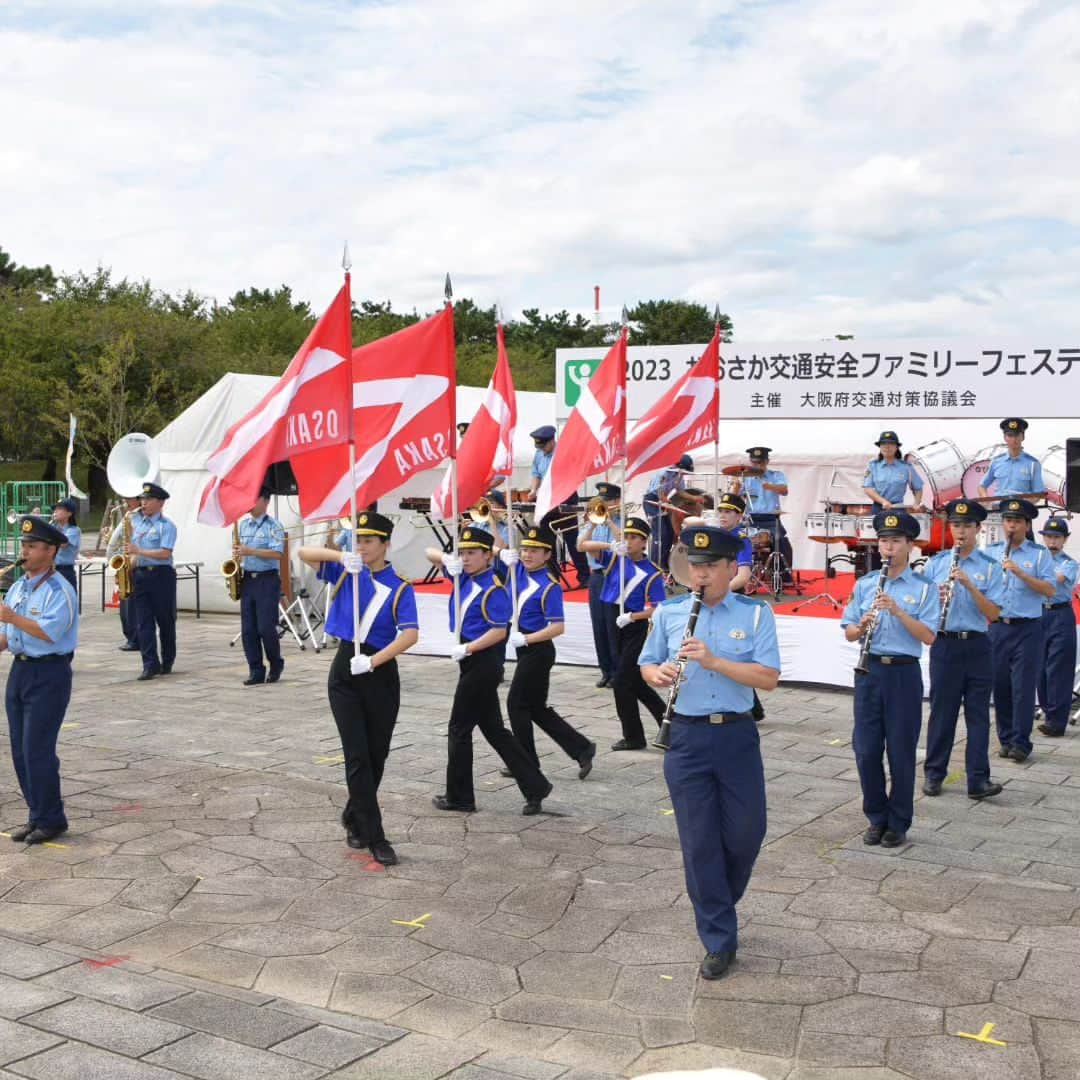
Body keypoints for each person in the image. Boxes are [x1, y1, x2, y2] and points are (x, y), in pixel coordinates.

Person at [640, 524, 780, 980]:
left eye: (709, 567)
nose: (699, 576)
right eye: (694, 567)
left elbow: (767, 678)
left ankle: (717, 901)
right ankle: (718, 938)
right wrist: (657, 674)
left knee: (747, 832)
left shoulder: (755, 614)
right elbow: (645, 662)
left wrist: (714, 660)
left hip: (736, 735)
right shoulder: (669, 611)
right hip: (685, 735)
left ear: (729, 569)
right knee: (699, 842)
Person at [298, 512, 418, 865]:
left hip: (379, 670)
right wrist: (339, 555)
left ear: (385, 544)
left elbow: (410, 634)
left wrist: (374, 660)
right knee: (357, 755)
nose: (362, 546)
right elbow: (303, 553)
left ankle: (354, 815)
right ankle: (375, 836)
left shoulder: (400, 585)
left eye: (368, 541)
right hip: (345, 672)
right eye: (358, 540)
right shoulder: (346, 570)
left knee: (376, 755)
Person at [426, 527, 553, 814]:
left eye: (472, 553)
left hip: (483, 662)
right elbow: (428, 553)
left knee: (459, 729)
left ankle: (460, 797)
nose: (466, 558)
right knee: (495, 730)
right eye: (463, 553)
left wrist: (469, 648)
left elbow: (499, 631)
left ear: (487, 556)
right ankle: (535, 785)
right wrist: (448, 559)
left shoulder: (493, 588)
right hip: (472, 661)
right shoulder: (463, 577)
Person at [840, 512, 939, 848]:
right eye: (884, 541)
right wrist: (862, 625)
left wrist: (897, 611)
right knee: (866, 750)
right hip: (870, 672)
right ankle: (875, 816)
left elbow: (928, 637)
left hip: (903, 674)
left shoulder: (925, 589)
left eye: (896, 541)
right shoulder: (865, 584)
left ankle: (898, 821)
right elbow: (850, 633)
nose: (889, 547)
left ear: (910, 546)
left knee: (900, 751)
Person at [0, 516, 78, 844]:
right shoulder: (18, 586)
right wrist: (8, 625)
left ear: (51, 551)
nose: (25, 552)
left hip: (49, 673)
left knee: (38, 750)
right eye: (24, 545)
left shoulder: (60, 590)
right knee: (19, 750)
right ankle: (36, 815)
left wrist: (12, 617)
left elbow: (48, 632)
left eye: (32, 546)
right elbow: (6, 636)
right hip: (20, 671)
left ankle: (52, 818)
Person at [922, 500, 1005, 800]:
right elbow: (923, 609)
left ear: (978, 529)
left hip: (978, 645)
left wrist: (970, 587)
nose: (961, 531)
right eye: (956, 525)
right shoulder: (935, 564)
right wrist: (937, 596)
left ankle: (978, 780)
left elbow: (994, 614)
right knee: (942, 714)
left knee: (978, 715)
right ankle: (934, 774)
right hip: (945, 644)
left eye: (967, 526)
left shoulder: (990, 567)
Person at [499, 526, 597, 778]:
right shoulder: (516, 569)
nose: (527, 555)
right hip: (525, 649)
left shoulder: (550, 585)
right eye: (524, 550)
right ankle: (582, 748)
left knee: (516, 704)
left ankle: (526, 762)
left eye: (533, 551)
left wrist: (527, 638)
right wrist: (502, 553)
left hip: (538, 650)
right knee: (535, 708)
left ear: (546, 554)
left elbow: (558, 627)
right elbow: (496, 547)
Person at [580, 516, 666, 750]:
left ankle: (633, 736)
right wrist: (606, 539)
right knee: (635, 684)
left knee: (621, 682)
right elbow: (582, 545)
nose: (628, 541)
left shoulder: (653, 572)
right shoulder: (614, 558)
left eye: (633, 538)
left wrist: (633, 617)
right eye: (625, 536)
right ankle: (670, 725)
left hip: (635, 626)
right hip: (612, 618)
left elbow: (659, 609)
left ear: (644, 542)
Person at [985, 499, 1056, 762]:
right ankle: (1006, 738)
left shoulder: (1039, 554)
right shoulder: (991, 552)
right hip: (998, 627)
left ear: (1027, 525)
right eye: (1008, 521)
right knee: (1000, 686)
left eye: (1017, 521)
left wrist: (1021, 574)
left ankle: (1021, 742)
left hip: (1028, 628)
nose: (1011, 526)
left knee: (1023, 688)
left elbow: (1051, 590)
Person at [127, 482, 177, 681]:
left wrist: (139, 551)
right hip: (140, 575)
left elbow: (165, 553)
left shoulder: (167, 526)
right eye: (142, 499)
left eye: (148, 499)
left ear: (160, 502)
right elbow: (131, 550)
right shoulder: (137, 523)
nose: (143, 503)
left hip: (161, 576)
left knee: (165, 621)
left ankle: (167, 660)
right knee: (143, 623)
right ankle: (149, 664)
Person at [235, 487, 286, 686]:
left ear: (265, 501)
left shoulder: (274, 526)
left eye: (253, 498)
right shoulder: (243, 526)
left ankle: (275, 663)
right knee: (248, 630)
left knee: (266, 627)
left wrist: (251, 551)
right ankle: (255, 670)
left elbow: (277, 554)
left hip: (267, 580)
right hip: (248, 579)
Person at [1035, 517, 1078, 738]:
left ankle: (1056, 721)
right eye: (1049, 536)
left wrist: (1030, 574)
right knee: (1040, 668)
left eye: (1057, 537)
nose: (1052, 541)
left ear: (1064, 539)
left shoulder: (1068, 563)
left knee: (1058, 669)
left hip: (1060, 614)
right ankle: (1047, 709)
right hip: (1039, 613)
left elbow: (1055, 581)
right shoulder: (1037, 559)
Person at [578, 481, 622, 688]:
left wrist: (611, 522)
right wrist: (595, 523)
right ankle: (605, 670)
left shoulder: (623, 521)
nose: (602, 507)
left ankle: (617, 671)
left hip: (615, 575)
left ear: (616, 501)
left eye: (606, 502)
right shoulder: (591, 524)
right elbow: (581, 545)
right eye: (599, 503)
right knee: (599, 625)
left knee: (613, 624)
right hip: (596, 576)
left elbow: (623, 542)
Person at [739, 447, 794, 583]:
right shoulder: (745, 478)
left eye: (760, 463)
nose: (757, 465)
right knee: (733, 536)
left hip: (770, 518)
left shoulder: (776, 475)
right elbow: (735, 496)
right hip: (750, 518)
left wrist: (769, 486)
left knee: (780, 540)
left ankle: (781, 576)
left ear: (767, 462)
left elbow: (784, 490)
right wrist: (735, 486)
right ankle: (739, 574)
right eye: (754, 463)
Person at [643, 453, 694, 568]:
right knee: (661, 534)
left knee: (670, 534)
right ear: (679, 467)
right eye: (685, 471)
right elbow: (660, 494)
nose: (685, 474)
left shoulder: (678, 475)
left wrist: (695, 498)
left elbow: (680, 491)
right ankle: (654, 564)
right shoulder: (664, 473)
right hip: (652, 501)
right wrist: (672, 506)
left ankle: (664, 563)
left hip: (663, 501)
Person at [977, 418, 1046, 500]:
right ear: (1005, 438)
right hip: (999, 509)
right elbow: (982, 486)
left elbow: (1039, 493)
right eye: (1010, 435)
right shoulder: (996, 462)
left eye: (1017, 435)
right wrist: (986, 499)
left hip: (1022, 509)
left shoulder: (1033, 464)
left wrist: (1027, 504)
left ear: (1023, 437)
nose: (1014, 439)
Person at [862, 432, 925, 510]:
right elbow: (868, 488)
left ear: (897, 447)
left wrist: (916, 503)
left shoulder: (906, 467)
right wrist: (883, 501)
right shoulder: (873, 466)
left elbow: (918, 487)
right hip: (879, 507)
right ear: (880, 447)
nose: (887, 447)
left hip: (898, 507)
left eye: (891, 444)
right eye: (883, 444)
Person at [50, 498, 81, 592]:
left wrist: (48, 532)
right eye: (55, 509)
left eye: (60, 509)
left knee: (67, 602)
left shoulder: (74, 530)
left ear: (69, 513)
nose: (55, 511)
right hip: (51, 570)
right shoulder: (53, 527)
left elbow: (63, 543)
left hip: (65, 571)